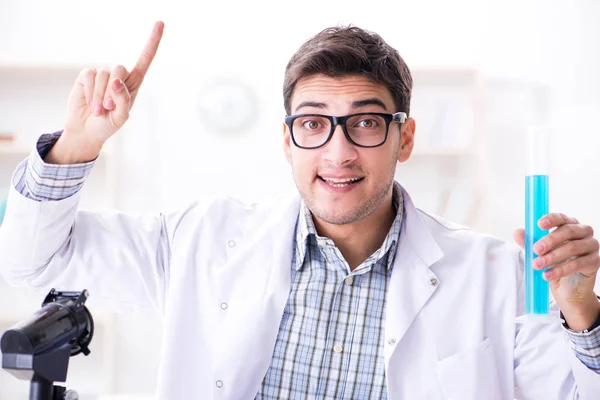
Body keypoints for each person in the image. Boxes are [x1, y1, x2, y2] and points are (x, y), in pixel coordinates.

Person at [0, 21, 599, 400]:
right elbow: (35, 261)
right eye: (314, 124)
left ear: (406, 138)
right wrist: (79, 144)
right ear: (288, 140)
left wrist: (583, 315)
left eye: (365, 122)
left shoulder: (498, 274)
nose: (338, 153)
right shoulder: (201, 242)